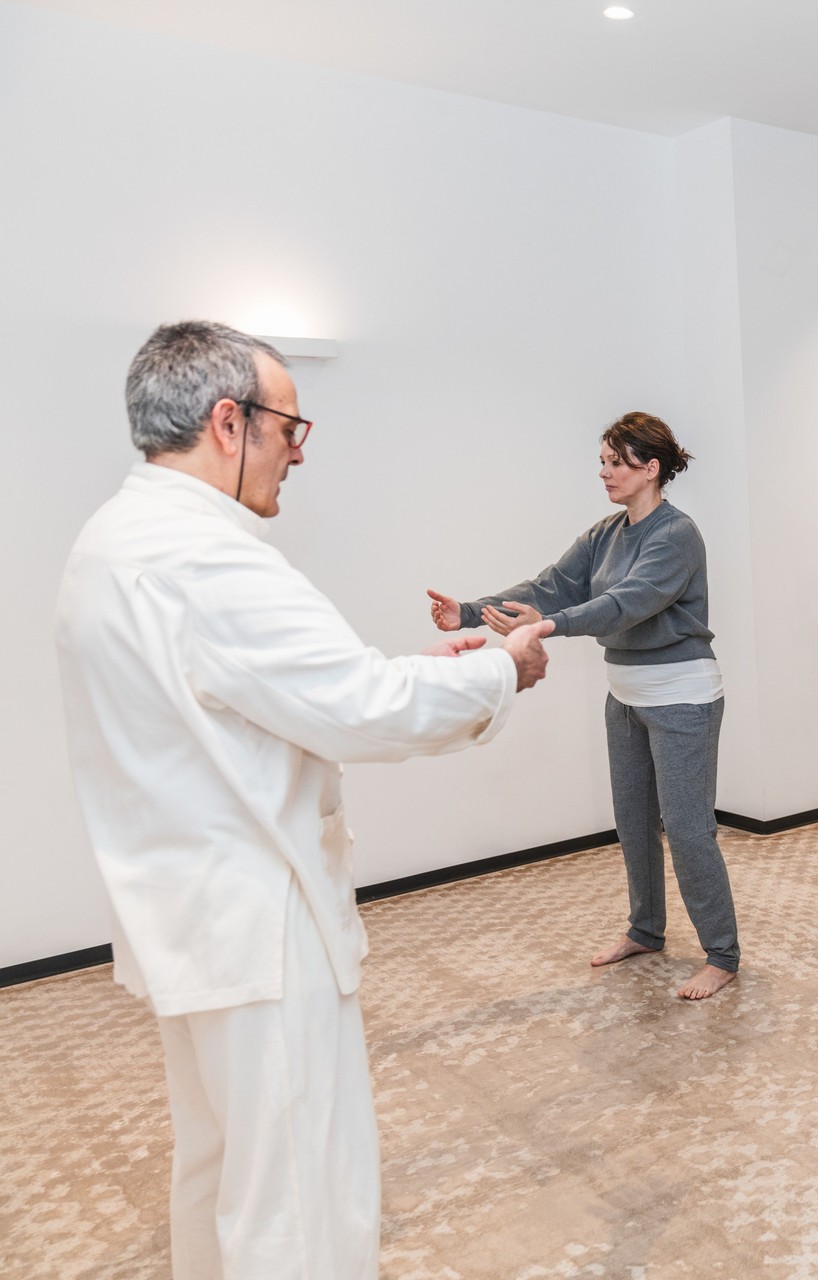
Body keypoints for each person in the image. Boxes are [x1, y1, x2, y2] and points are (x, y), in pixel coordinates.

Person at [56, 321, 554, 1280]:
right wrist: (501, 670)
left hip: (189, 920)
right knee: (298, 1204)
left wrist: (418, 672)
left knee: (220, 1169)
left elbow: (264, 699)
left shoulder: (114, 540)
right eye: (291, 424)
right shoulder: (209, 558)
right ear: (228, 421)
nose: (300, 447)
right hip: (260, 924)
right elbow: (362, 710)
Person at [427, 412, 738, 1000]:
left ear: (651, 468)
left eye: (618, 462)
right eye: (602, 461)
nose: (605, 472)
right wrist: (469, 611)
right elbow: (551, 586)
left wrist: (550, 626)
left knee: (690, 831)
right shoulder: (606, 533)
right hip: (624, 696)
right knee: (634, 824)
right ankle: (645, 930)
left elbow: (628, 603)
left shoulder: (677, 535)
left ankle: (722, 953)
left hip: (683, 698)